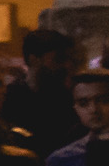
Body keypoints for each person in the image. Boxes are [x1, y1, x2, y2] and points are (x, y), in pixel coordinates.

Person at [11, 29, 82, 157]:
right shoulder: (11, 98)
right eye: (58, 59)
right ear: (34, 60)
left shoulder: (65, 98)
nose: (66, 66)